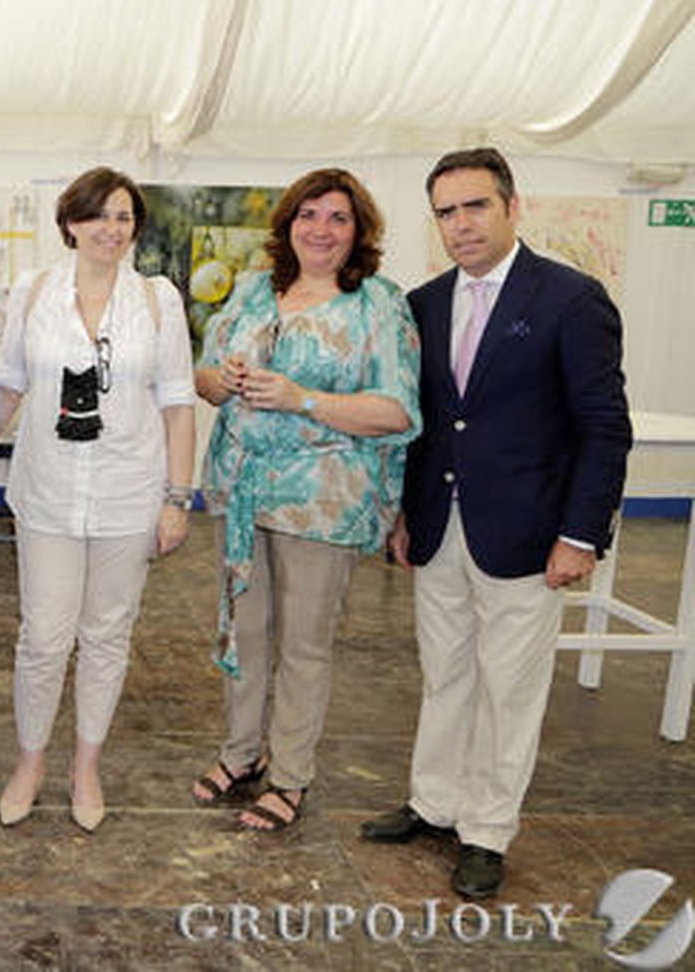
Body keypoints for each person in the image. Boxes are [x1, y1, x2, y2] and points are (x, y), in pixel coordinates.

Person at [361, 148, 631, 899]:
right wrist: (408, 516)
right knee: (444, 672)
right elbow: (426, 424)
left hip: (529, 536)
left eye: (475, 206)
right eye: (445, 212)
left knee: (509, 688)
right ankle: (436, 802)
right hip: (440, 528)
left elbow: (604, 427)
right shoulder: (425, 303)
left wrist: (580, 535)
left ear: (514, 207)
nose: (460, 224)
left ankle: (486, 829)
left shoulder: (571, 300)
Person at [191, 167, 421, 832]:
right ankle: (240, 754)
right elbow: (203, 379)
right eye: (309, 215)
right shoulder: (255, 291)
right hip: (241, 492)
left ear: (359, 233)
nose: (321, 229)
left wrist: (305, 399)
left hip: (323, 501)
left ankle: (290, 775)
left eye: (338, 218)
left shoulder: (377, 303)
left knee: (304, 644)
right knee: (246, 629)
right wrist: (222, 379)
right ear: (288, 225)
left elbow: (396, 411)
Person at [0, 167, 195, 832]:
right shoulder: (34, 290)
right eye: (99, 215)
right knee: (43, 637)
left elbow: (177, 405)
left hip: (127, 495)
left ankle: (86, 767)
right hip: (47, 493)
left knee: (107, 635)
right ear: (71, 223)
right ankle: (30, 763)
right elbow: (10, 388)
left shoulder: (158, 299)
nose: (112, 228)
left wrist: (177, 498)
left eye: (124, 216)